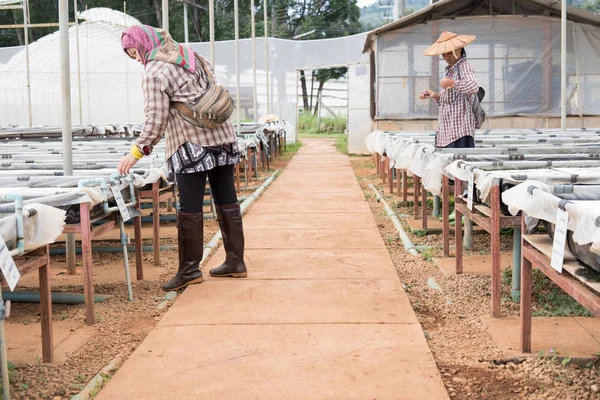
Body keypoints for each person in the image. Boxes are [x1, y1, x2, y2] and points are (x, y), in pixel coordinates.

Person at [117, 25, 247, 291]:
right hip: (222, 136)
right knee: (226, 199)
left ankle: (189, 270)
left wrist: (136, 152)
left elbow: (155, 120)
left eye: (135, 51)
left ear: (145, 44)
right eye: (131, 55)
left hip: (190, 144)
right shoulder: (189, 55)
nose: (137, 58)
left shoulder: (154, 72)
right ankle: (236, 261)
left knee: (190, 207)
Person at [420, 31, 479, 149]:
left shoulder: (464, 66)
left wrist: (452, 83)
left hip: (460, 130)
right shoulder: (450, 70)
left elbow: (473, 86)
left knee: (459, 164)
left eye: (449, 53)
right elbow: (448, 99)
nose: (447, 57)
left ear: (459, 49)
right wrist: (435, 95)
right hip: (448, 129)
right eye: (444, 54)